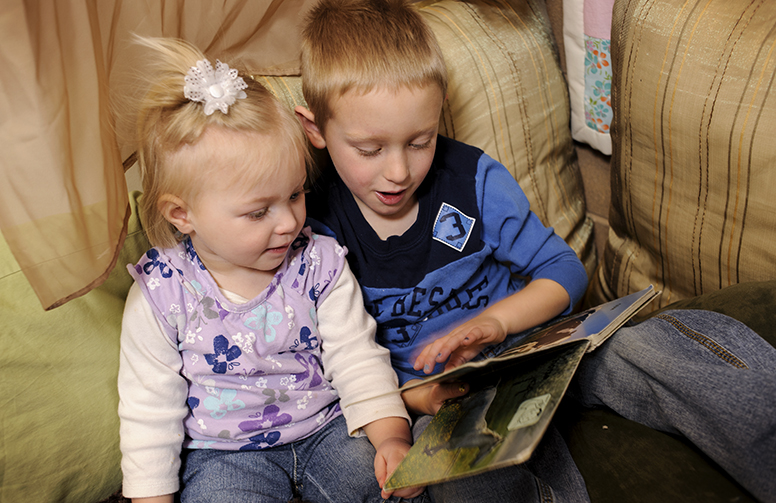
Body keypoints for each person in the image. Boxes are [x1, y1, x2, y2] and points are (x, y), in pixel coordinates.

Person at [296, 1, 776, 502]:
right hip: (443, 403)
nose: (398, 171)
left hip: (532, 352)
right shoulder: (316, 232)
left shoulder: (472, 180)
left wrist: (499, 322)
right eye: (370, 150)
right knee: (457, 483)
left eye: (420, 141)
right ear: (315, 131)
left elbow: (564, 272)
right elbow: (346, 360)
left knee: (633, 353)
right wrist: (419, 396)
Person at [117, 36, 425, 503]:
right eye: (259, 212)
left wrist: (392, 439)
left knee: (388, 487)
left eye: (296, 194)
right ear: (183, 215)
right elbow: (147, 410)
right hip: (224, 455)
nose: (289, 222)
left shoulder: (317, 262)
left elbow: (357, 357)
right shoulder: (161, 292)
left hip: (329, 429)